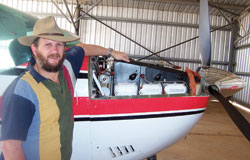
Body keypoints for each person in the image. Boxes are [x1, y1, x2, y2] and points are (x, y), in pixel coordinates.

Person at [0, 16, 130, 160]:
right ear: (34, 49)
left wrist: (111, 52)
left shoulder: (67, 68)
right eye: (48, 45)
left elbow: (82, 48)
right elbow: (10, 147)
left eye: (59, 45)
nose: (55, 51)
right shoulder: (22, 90)